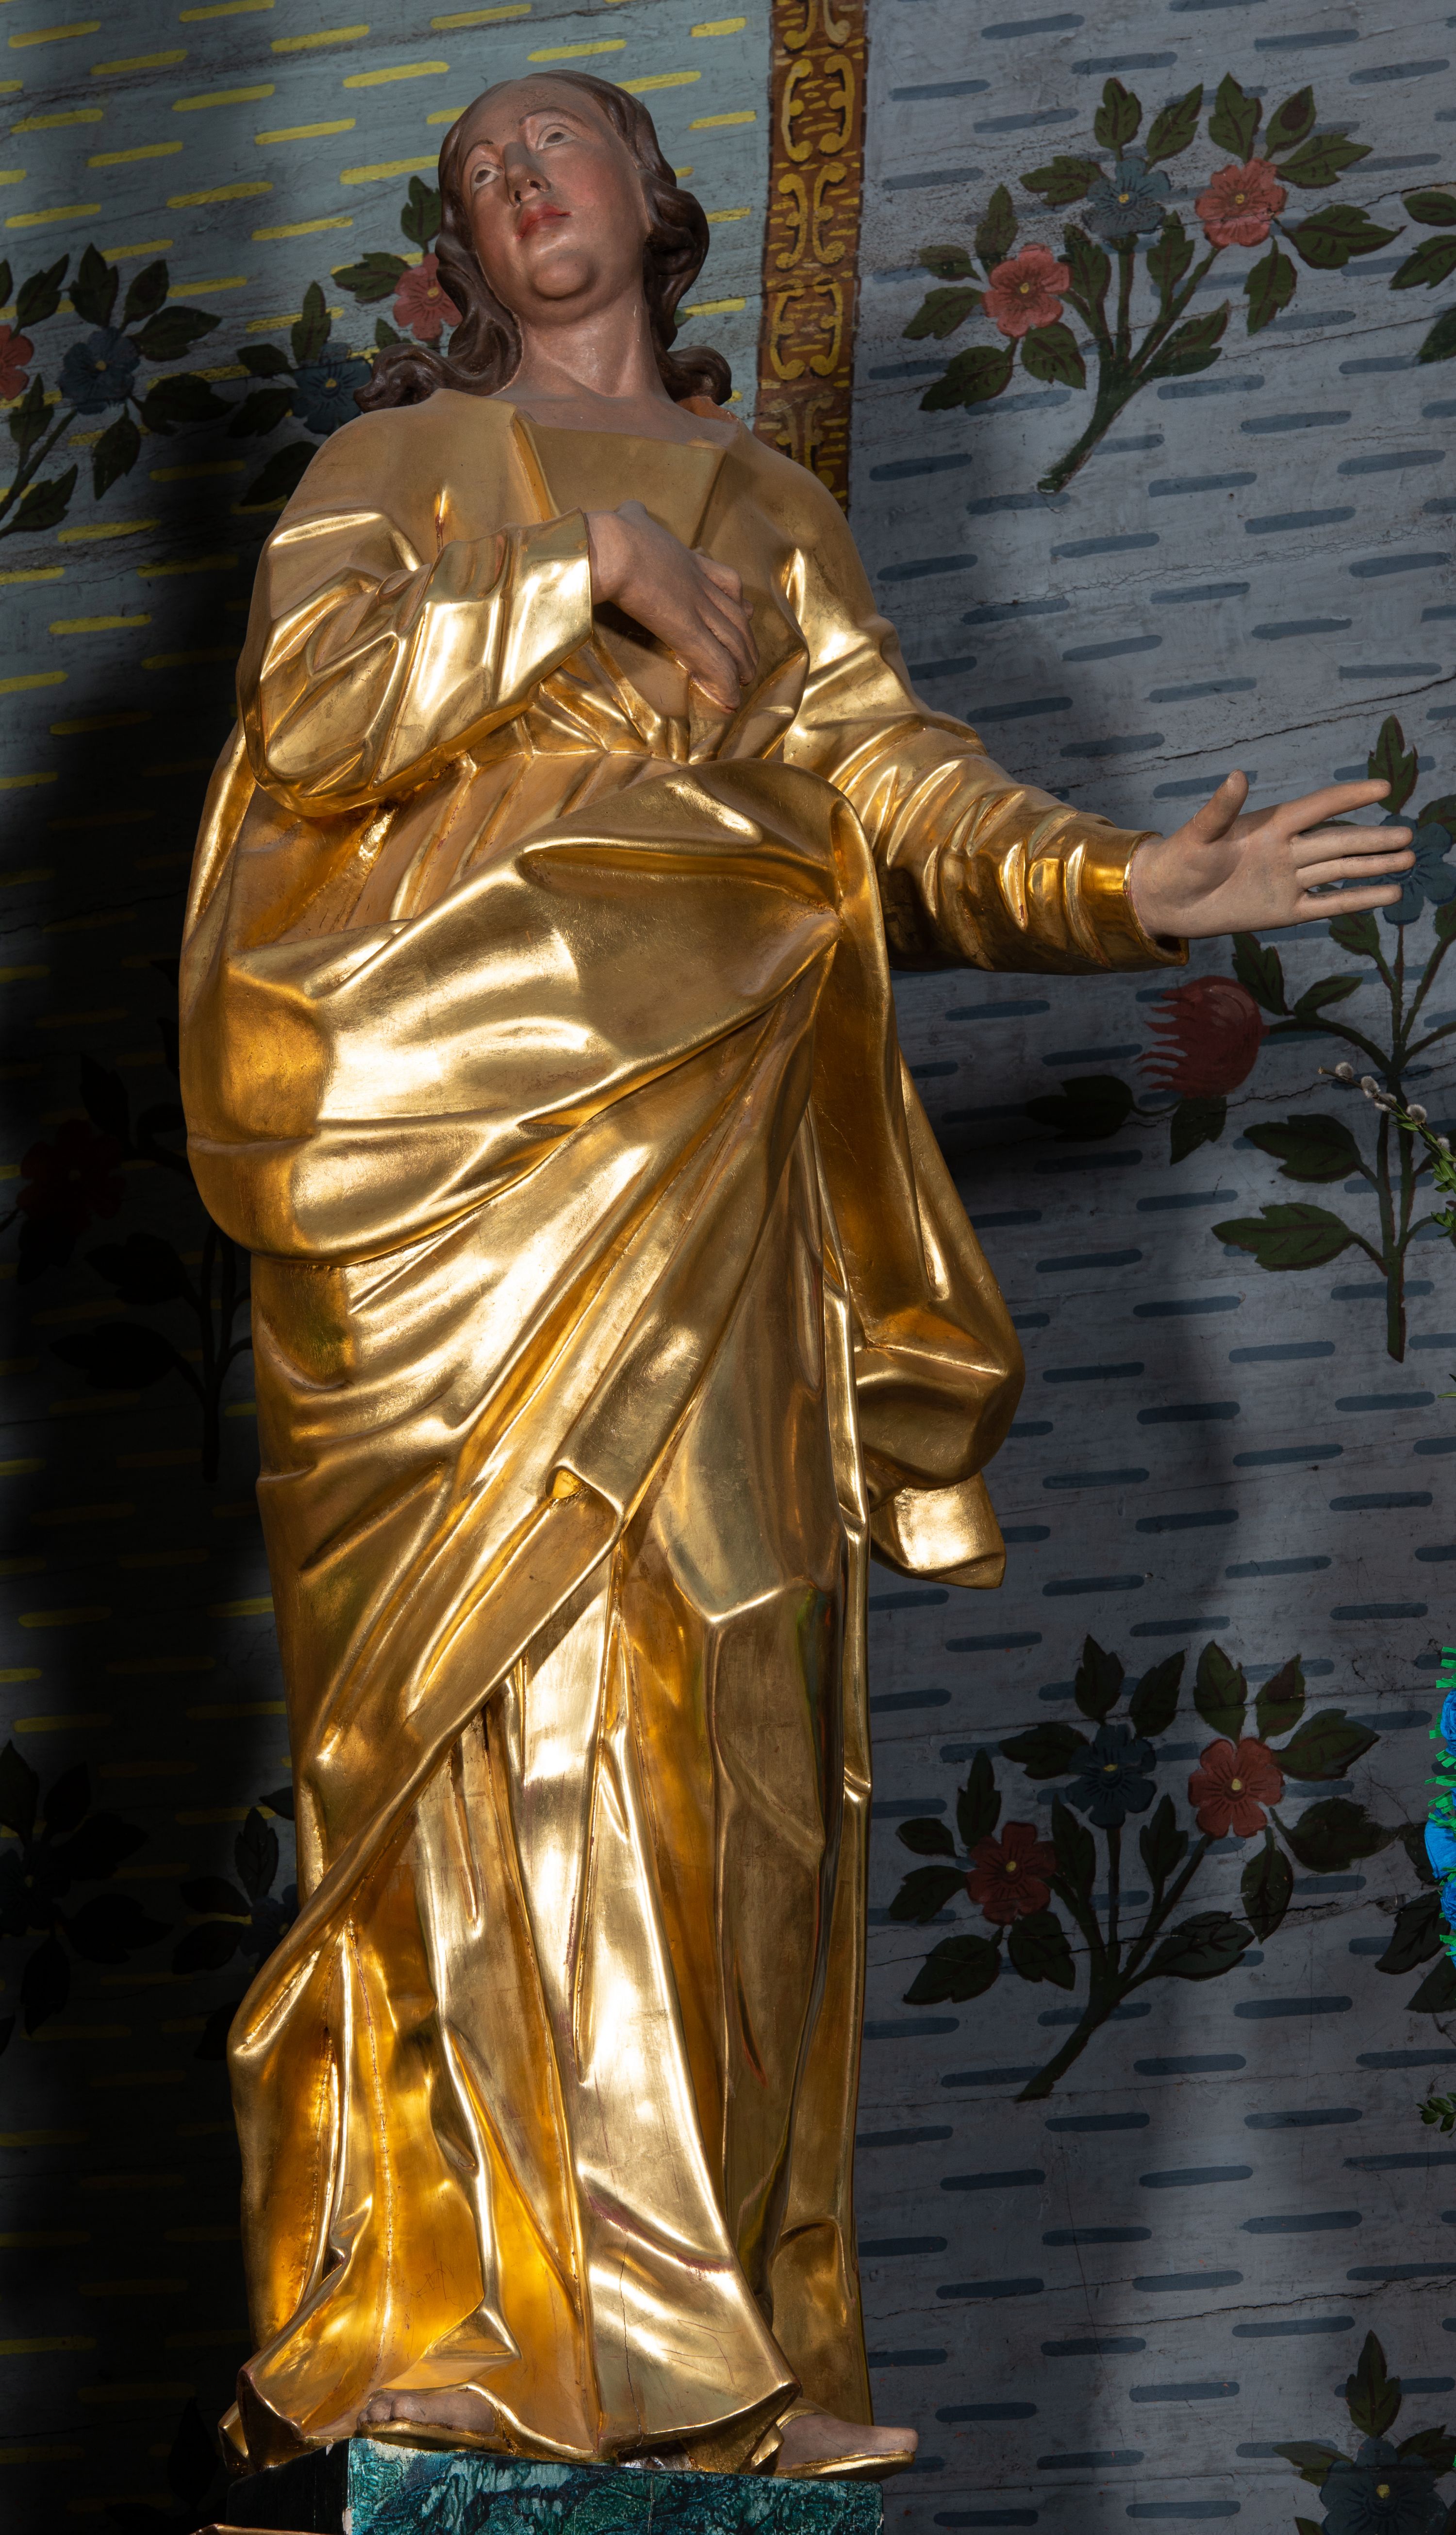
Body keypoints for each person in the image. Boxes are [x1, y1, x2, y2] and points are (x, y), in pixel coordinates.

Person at [178, 70, 1413, 2488]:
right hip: (435, 1188)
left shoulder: (779, 508)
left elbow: (892, 786)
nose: (519, 183)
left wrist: (1121, 889)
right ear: (461, 250)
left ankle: (705, 2342)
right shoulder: (389, 472)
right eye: (478, 173)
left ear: (657, 201)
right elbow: (311, 713)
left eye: (558, 143)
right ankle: (457, 2318)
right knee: (473, 1730)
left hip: (713, 1161)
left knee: (723, 1723)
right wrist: (584, 568)